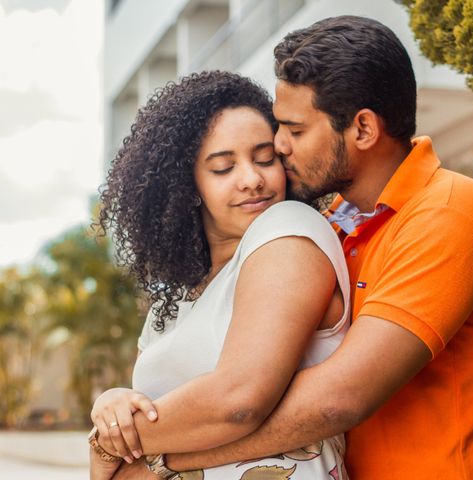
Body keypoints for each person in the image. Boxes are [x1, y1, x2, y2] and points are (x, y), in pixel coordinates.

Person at [105, 15, 473, 480]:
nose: (279, 146)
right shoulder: (334, 226)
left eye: (295, 130)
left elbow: (336, 400)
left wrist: (155, 459)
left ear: (362, 129)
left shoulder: (449, 212)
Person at [90, 70, 350, 479]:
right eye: (223, 168)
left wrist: (109, 446)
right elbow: (155, 406)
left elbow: (238, 400)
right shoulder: (172, 300)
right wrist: (113, 403)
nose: (252, 180)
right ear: (187, 185)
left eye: (265, 159)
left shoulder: (287, 228)